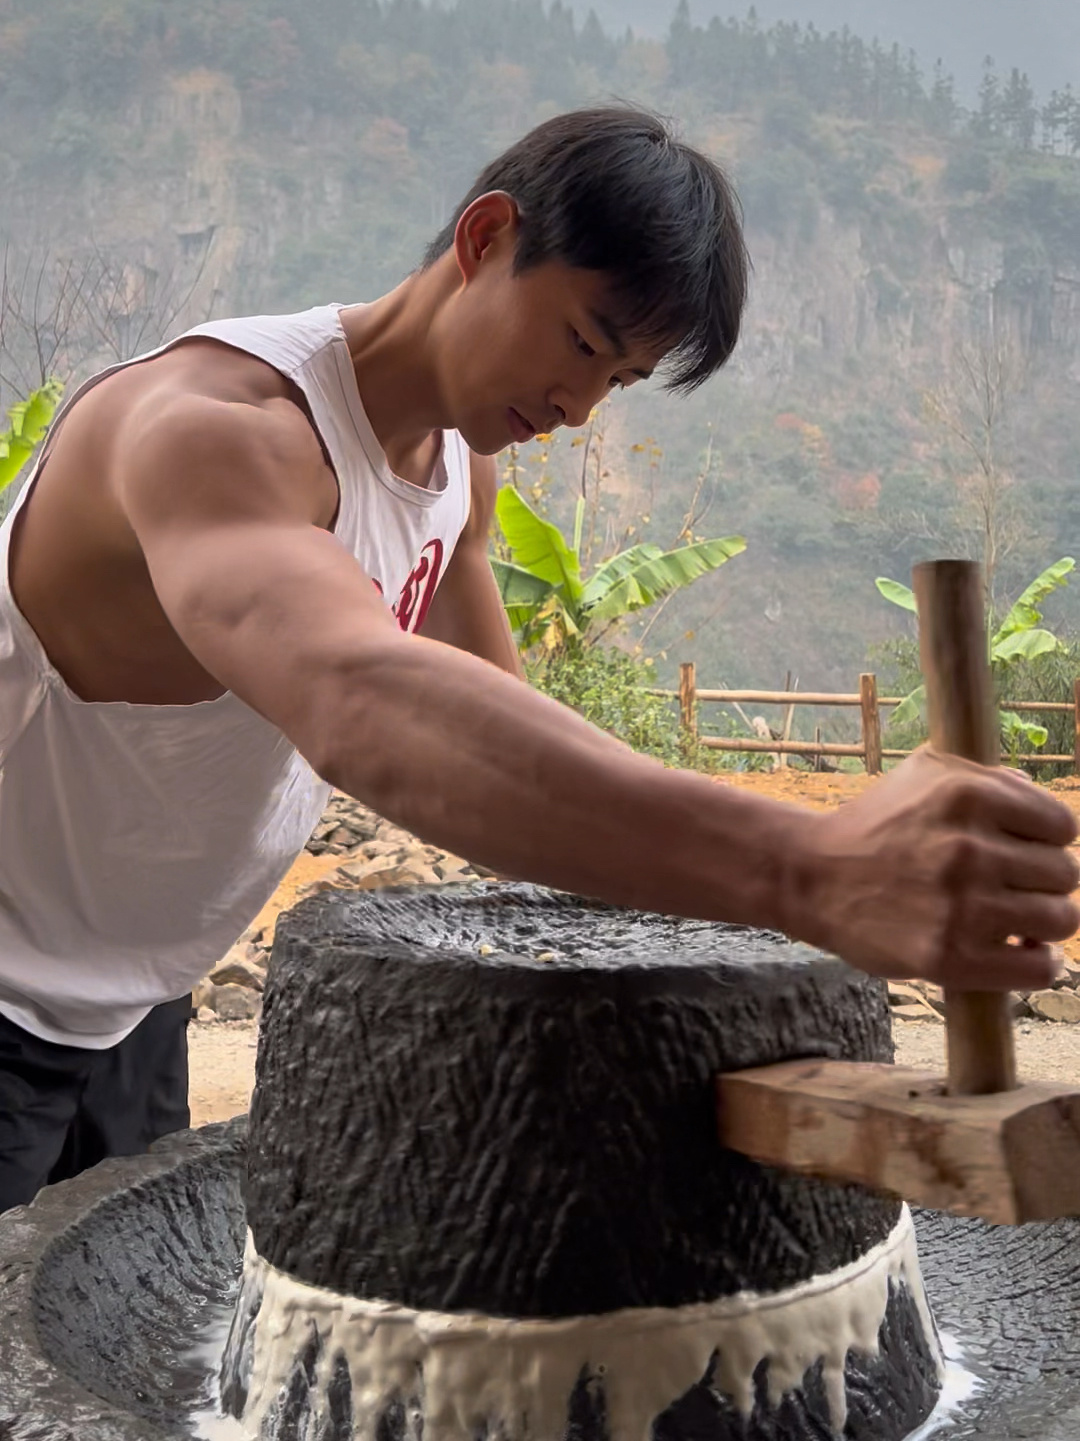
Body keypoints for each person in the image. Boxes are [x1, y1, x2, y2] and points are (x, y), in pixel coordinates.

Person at [0, 106, 1075, 1214]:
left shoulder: (459, 476)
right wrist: (812, 869)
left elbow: (504, 734)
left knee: (95, 1323)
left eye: (618, 382)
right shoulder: (215, 431)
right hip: (6, 986)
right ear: (485, 239)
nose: (575, 407)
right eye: (581, 342)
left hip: (136, 997)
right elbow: (364, 701)